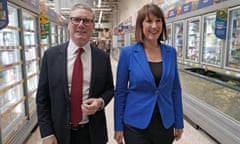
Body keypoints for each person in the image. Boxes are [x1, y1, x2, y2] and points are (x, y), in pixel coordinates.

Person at [36, 3, 114, 144]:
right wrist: (46, 133)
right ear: (69, 24)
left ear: (93, 26)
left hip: (93, 133)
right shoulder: (51, 56)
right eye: (76, 19)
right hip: (60, 133)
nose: (81, 24)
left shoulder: (102, 57)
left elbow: (109, 89)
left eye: (86, 20)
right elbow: (42, 97)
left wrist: (100, 102)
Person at [114, 4, 184, 144]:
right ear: (141, 25)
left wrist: (179, 121)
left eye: (158, 21)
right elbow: (121, 91)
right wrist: (118, 126)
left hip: (165, 122)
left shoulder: (170, 53)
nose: (154, 26)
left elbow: (175, 89)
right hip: (135, 124)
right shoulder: (128, 53)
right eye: (149, 21)